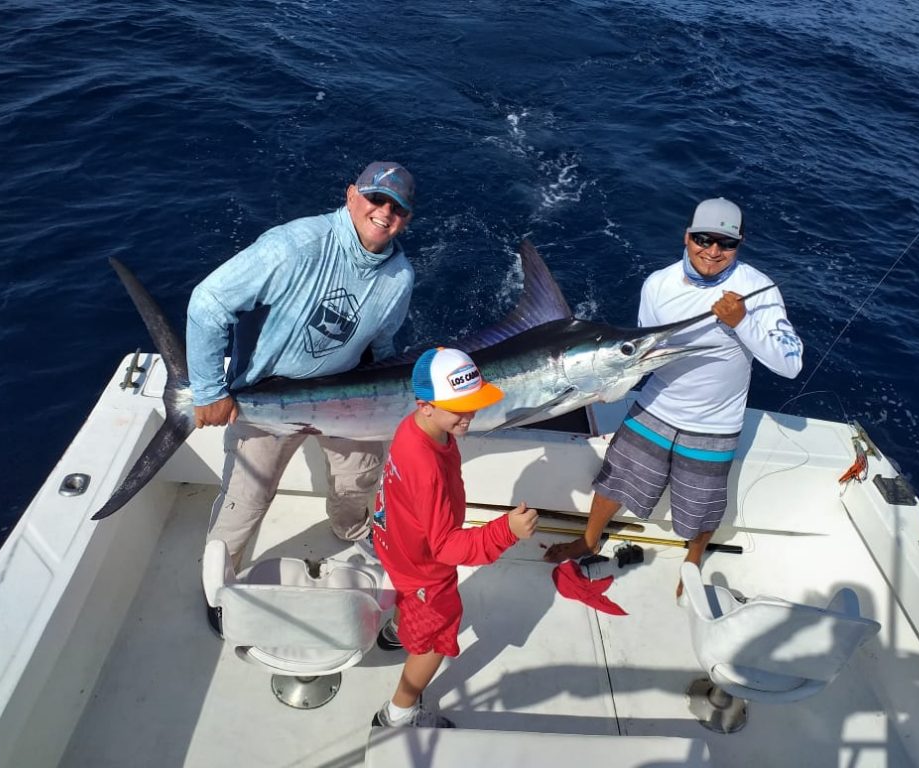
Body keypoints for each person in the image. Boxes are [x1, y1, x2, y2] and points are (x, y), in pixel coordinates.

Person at [543, 198, 803, 597]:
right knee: (614, 480)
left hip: (714, 425)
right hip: (656, 406)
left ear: (740, 244)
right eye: (703, 239)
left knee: (701, 507)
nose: (713, 251)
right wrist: (611, 387)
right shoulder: (658, 284)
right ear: (687, 236)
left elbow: (791, 364)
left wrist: (742, 322)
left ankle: (693, 561)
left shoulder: (758, 290)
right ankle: (590, 540)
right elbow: (640, 354)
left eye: (726, 243)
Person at [187, 161, 416, 587]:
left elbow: (382, 350)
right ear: (351, 195)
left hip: (347, 397)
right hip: (263, 399)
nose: (384, 212)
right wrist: (207, 391)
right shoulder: (296, 246)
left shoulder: (399, 278)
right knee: (247, 499)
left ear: (407, 219)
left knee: (359, 480)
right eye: (375, 198)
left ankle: (352, 532)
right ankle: (219, 585)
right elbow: (207, 304)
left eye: (397, 207)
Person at [371, 347, 539, 729]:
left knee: (409, 600)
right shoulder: (426, 465)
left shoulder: (414, 427)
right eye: (458, 408)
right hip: (424, 568)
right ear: (425, 404)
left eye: (473, 404)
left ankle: (397, 630)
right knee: (436, 639)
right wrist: (505, 531)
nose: (469, 415)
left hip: (394, 543)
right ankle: (398, 712)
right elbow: (445, 547)